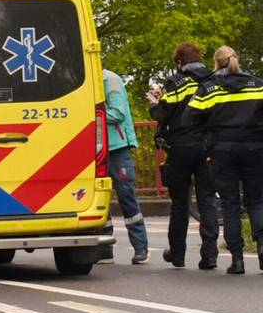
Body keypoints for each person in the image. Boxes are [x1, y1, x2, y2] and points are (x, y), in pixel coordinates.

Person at [185, 46, 263, 275]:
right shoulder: (257, 84)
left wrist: (208, 133)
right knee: (257, 201)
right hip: (256, 148)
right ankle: (262, 251)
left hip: (223, 150)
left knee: (230, 206)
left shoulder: (209, 88)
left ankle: (237, 260)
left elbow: (190, 118)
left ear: (216, 63)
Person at [148, 42, 219, 270]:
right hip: (208, 147)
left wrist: (154, 103)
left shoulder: (176, 82)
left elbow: (163, 113)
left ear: (179, 62)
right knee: (207, 200)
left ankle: (177, 254)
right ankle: (210, 255)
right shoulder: (212, 80)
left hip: (180, 148)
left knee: (180, 202)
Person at [103, 69, 150, 265]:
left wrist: (89, 112)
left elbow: (118, 113)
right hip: (96, 147)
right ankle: (104, 250)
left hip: (117, 147)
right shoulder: (87, 79)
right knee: (100, 202)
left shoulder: (110, 79)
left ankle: (141, 248)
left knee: (127, 198)